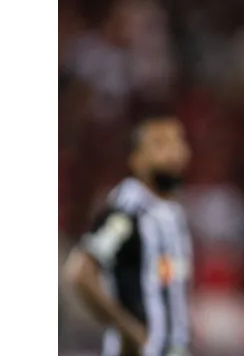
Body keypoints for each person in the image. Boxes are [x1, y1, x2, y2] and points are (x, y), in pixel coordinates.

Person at [63, 117, 193, 356]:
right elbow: (80, 272)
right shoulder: (129, 211)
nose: (173, 153)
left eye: (177, 142)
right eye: (159, 145)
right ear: (136, 159)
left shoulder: (171, 213)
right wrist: (130, 329)